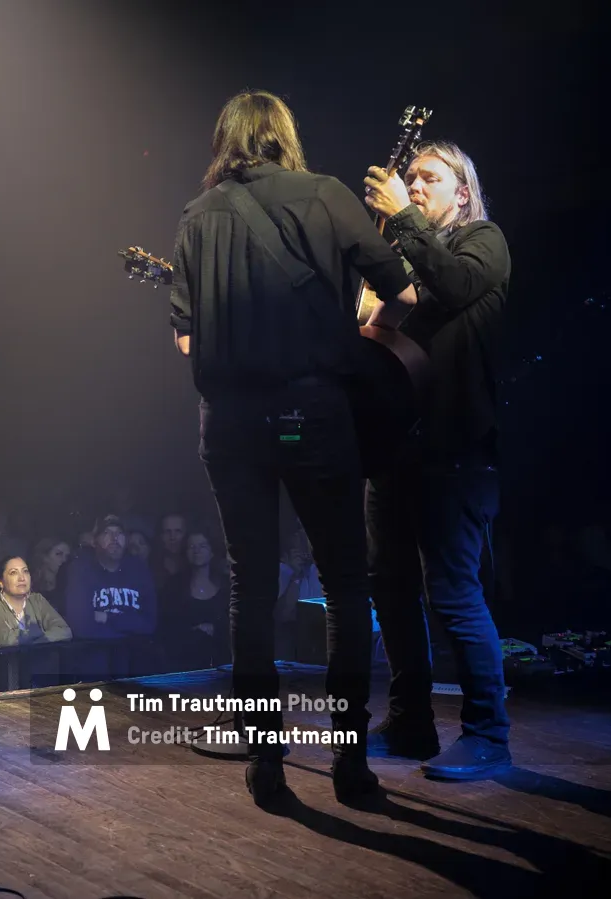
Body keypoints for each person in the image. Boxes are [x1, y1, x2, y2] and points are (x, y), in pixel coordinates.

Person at [168, 90, 418, 804]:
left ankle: (265, 758)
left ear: (227, 142)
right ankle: (350, 761)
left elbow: (188, 339)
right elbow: (400, 292)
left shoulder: (195, 217)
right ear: (283, 136)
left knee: (250, 581)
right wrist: (360, 329)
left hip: (232, 423)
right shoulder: (325, 195)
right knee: (344, 581)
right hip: (310, 411)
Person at [361, 141, 512, 780]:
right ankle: (410, 723)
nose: (414, 185)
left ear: (463, 191)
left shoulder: (485, 241)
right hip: (395, 451)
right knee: (391, 591)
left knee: (452, 593)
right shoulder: (405, 259)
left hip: (456, 451)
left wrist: (402, 218)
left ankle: (487, 734)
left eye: (429, 178)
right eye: (410, 178)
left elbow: (450, 287)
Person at [0, 555, 72, 647]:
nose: (22, 578)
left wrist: (34, 640)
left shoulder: (37, 600)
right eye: (13, 573)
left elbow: (65, 631)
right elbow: (8, 640)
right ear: (0, 582)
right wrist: (45, 635)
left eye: (25, 571)